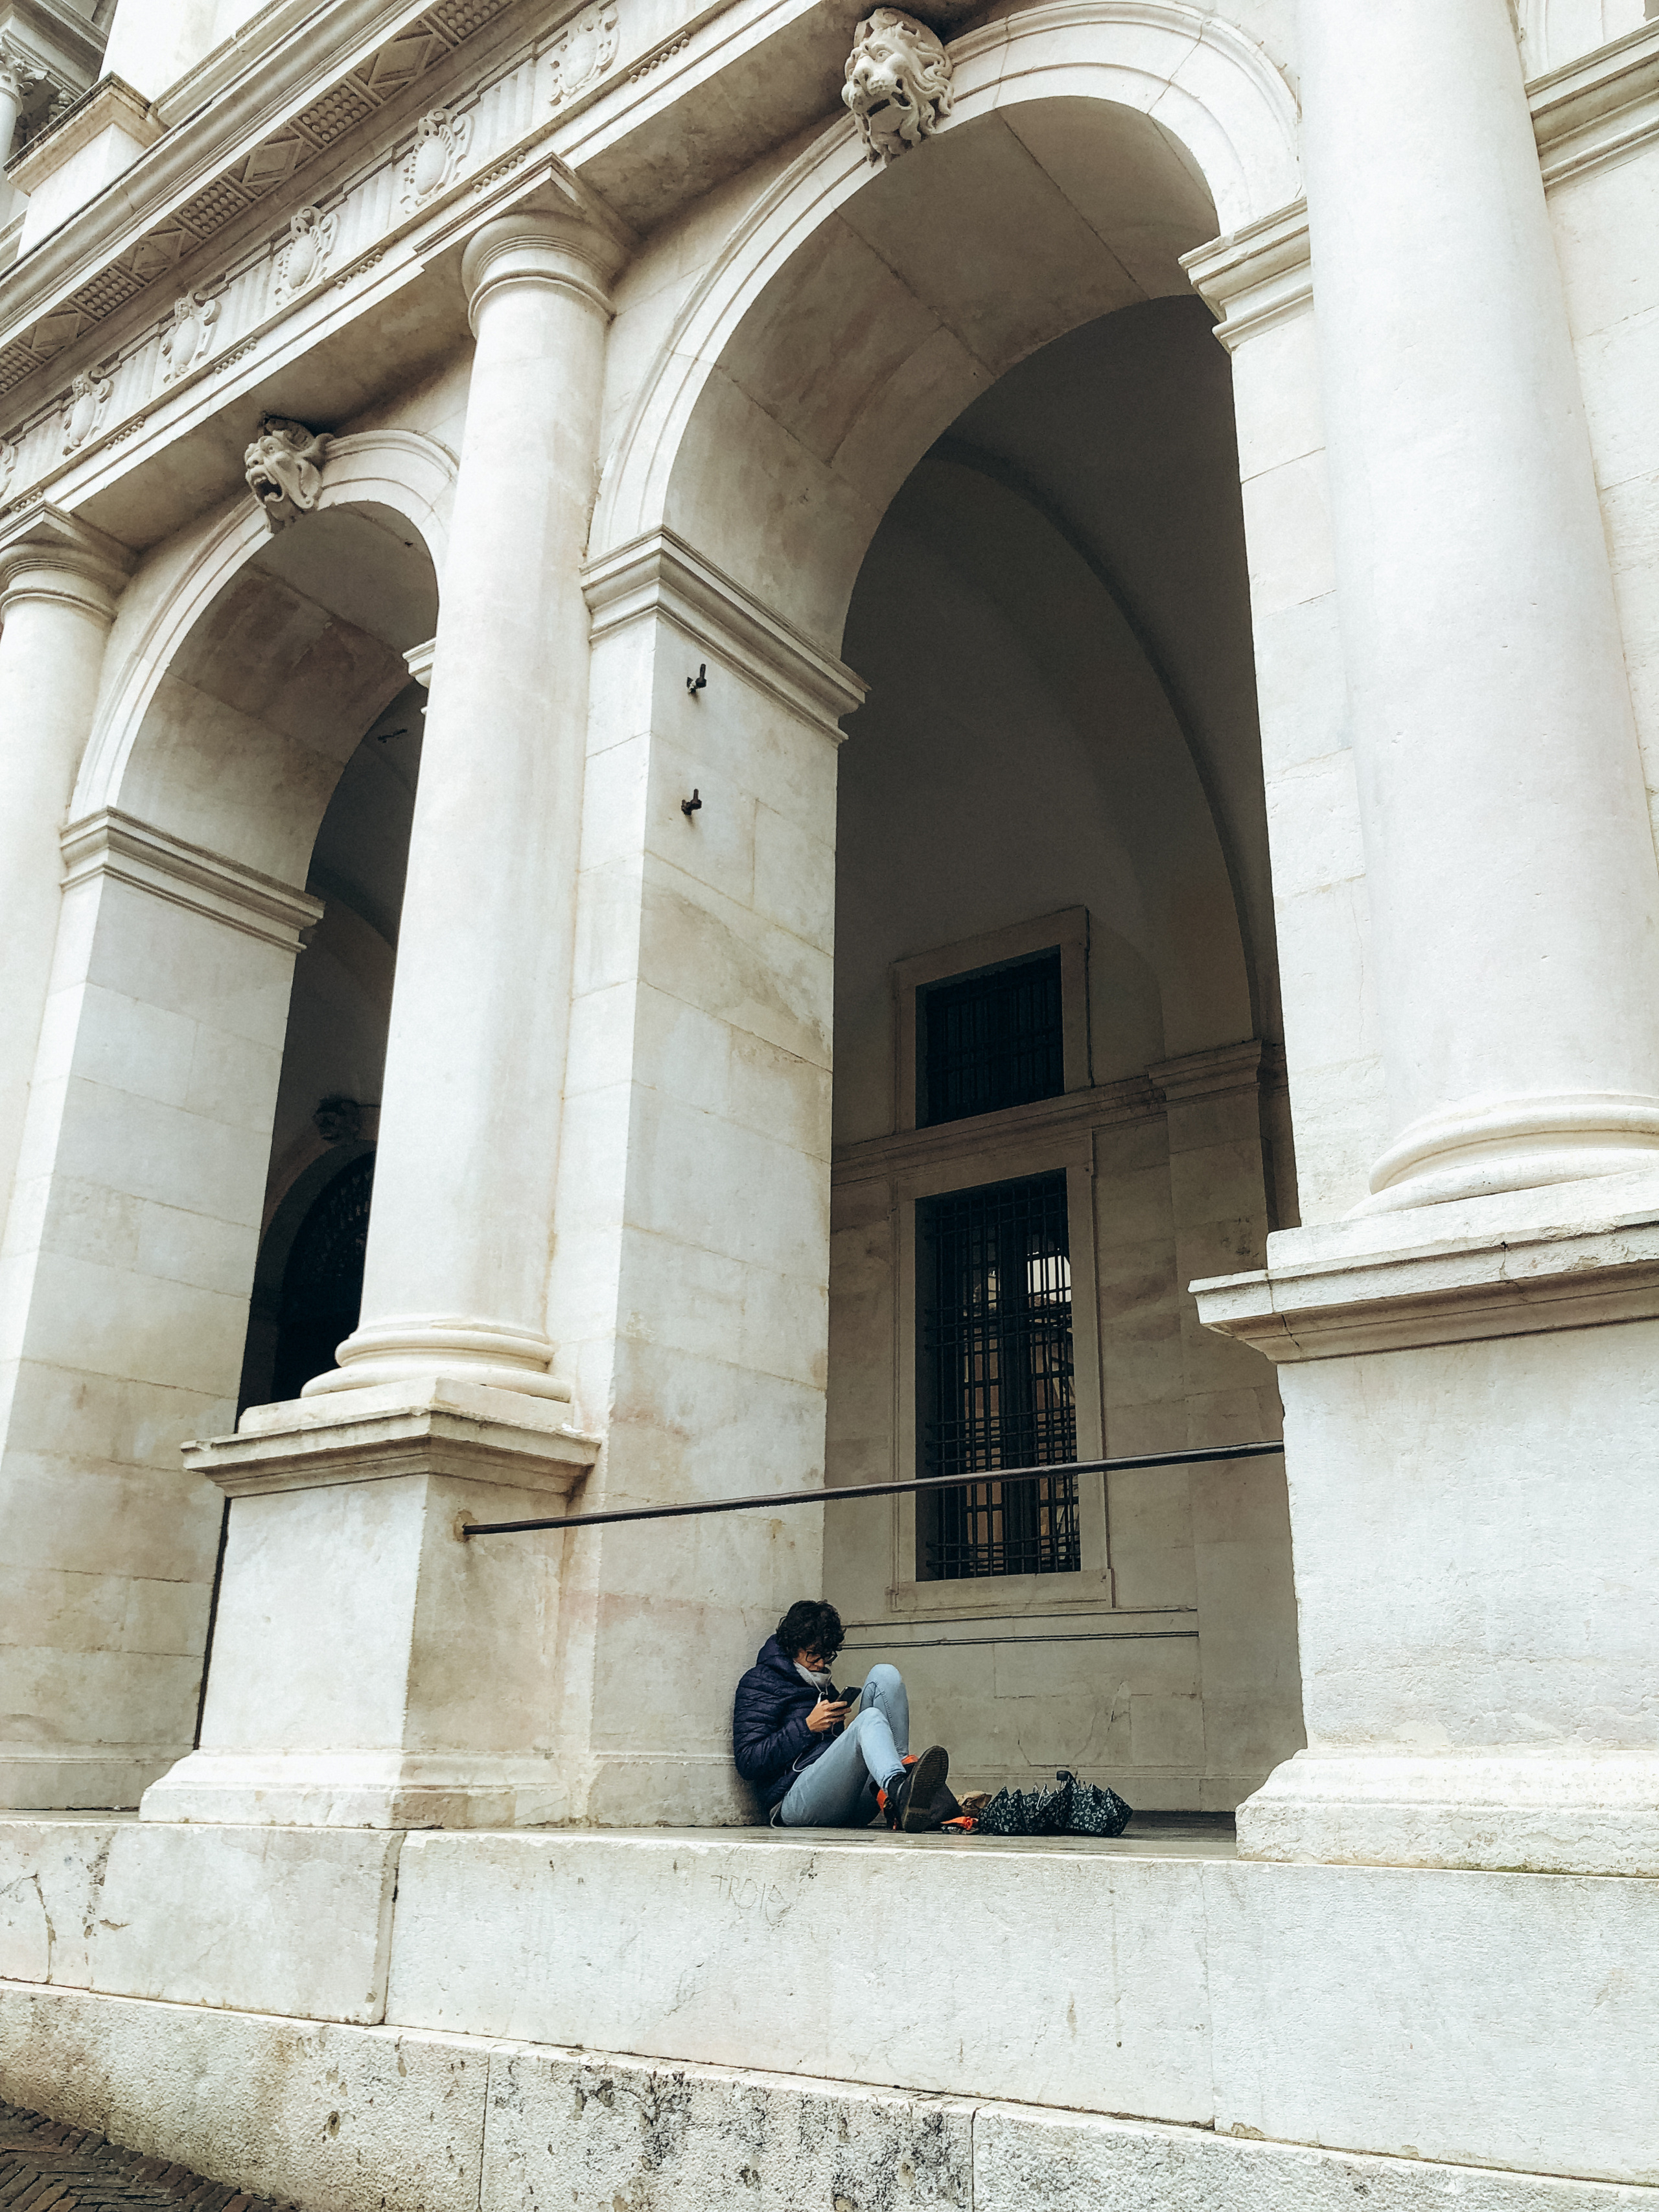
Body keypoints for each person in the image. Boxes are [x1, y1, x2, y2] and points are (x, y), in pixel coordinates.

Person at [732, 1598, 953, 1830]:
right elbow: (749, 1762)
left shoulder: (824, 1686)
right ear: (791, 1647)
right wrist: (806, 1727)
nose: (820, 1663)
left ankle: (901, 1793)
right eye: (812, 1655)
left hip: (844, 1802)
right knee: (869, 1719)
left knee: (885, 1675)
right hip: (793, 1802)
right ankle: (900, 1789)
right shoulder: (759, 1682)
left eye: (826, 1656)